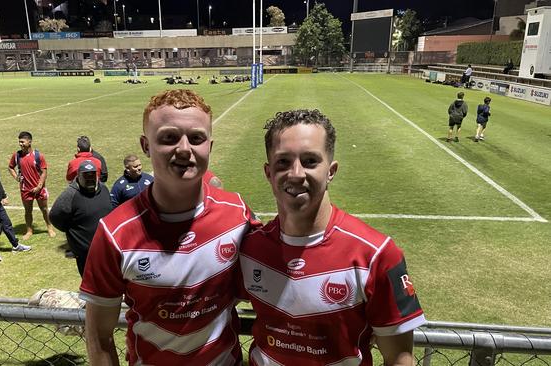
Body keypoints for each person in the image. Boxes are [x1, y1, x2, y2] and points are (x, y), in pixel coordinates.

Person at [80, 89, 260, 365]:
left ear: (209, 146)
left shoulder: (237, 214)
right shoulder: (115, 233)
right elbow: (98, 336)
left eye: (196, 138)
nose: (184, 149)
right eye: (169, 138)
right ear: (146, 145)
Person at [239, 109, 425, 366]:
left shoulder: (377, 255)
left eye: (310, 161)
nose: (296, 173)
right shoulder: (250, 248)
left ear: (331, 171)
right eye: (283, 162)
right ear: (268, 172)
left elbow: (400, 359)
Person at [50, 160, 112, 276]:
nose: (90, 179)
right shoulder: (70, 195)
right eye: (86, 176)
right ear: (78, 176)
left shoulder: (104, 189)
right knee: (92, 288)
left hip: (107, 250)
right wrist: (72, 232)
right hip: (86, 256)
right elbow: (54, 216)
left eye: (92, 175)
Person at [8, 131, 57, 239]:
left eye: (22, 142)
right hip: (25, 189)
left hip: (39, 189)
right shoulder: (17, 155)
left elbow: (44, 172)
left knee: (44, 209)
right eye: (19, 142)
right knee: (28, 211)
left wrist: (39, 186)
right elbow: (11, 167)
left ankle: (49, 227)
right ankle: (29, 230)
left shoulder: (38, 156)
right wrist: (16, 177)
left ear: (29, 142)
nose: (20, 144)